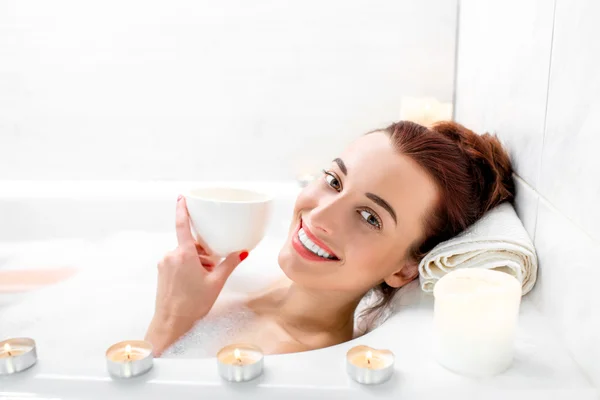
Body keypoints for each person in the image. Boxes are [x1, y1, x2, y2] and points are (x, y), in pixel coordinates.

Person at [145, 120, 515, 356]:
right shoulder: (273, 288)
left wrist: (168, 323)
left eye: (370, 217)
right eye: (334, 181)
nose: (319, 215)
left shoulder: (285, 358)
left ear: (404, 269)